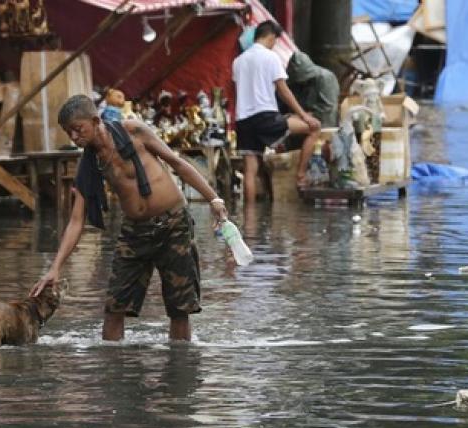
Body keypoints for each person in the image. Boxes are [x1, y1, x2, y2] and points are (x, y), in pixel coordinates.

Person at [29, 94, 229, 342]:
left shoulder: (134, 131)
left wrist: (214, 199)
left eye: (78, 130)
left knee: (180, 310)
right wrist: (55, 268)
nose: (74, 137)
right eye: (68, 133)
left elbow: (177, 163)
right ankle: (113, 373)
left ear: (95, 120)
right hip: (135, 233)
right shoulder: (89, 164)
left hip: (174, 224)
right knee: (114, 307)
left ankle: (181, 369)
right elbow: (76, 220)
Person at [232, 20, 321, 202]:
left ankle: (249, 222)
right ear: (271, 36)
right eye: (275, 41)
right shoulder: (270, 57)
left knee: (250, 169)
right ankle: (301, 176)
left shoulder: (238, 61)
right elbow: (283, 90)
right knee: (314, 128)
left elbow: (237, 91)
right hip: (266, 116)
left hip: (243, 120)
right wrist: (304, 115)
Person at [286, 51, 340, 128]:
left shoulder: (325, 78)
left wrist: (300, 116)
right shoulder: (292, 81)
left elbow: (327, 108)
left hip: (324, 123)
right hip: (301, 119)